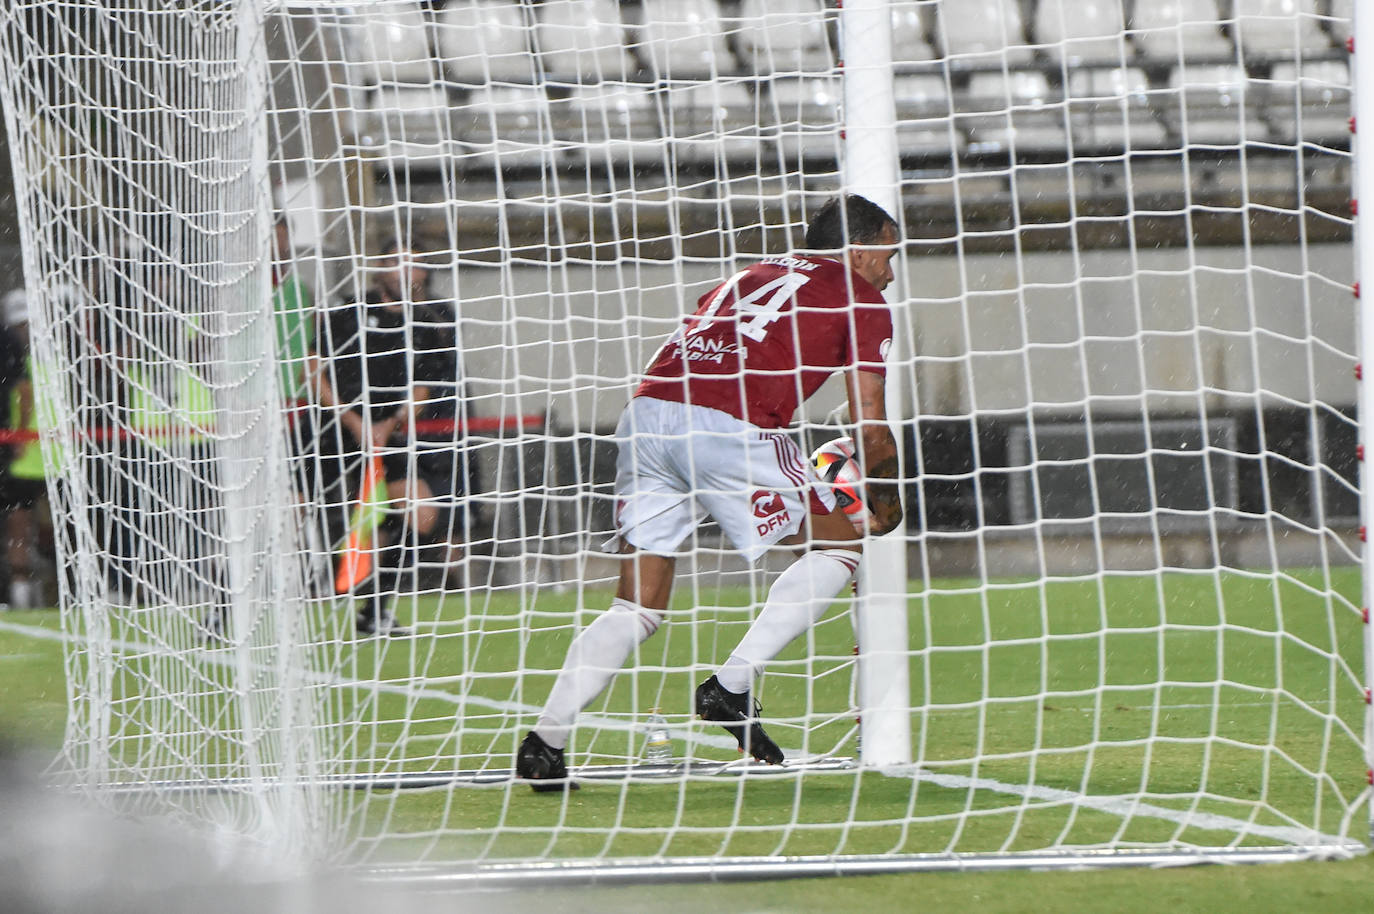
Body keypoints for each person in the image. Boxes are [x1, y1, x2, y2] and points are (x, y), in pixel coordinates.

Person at [516, 194, 905, 791]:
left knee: (637, 606)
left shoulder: (748, 274)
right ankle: (730, 685)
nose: (889, 272)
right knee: (837, 549)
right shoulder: (861, 297)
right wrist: (887, 501)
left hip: (648, 412)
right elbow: (869, 421)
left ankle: (545, 742)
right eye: (887, 255)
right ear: (857, 251)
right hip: (730, 422)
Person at [314, 239, 458, 637]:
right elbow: (313, 368)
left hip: (386, 433)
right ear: (380, 268)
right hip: (332, 429)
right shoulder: (349, 311)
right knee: (298, 512)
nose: (407, 271)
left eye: (415, 264)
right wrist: (352, 420)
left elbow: (424, 387)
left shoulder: (429, 322)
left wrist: (390, 423)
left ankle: (374, 607)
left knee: (422, 513)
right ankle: (224, 609)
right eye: (398, 262)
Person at [0, 289, 47, 608]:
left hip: (41, 456)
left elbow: (25, 393)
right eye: (20, 325)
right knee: (20, 522)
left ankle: (28, 591)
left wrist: (20, 435)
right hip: (24, 456)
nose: (24, 330)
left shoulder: (46, 356)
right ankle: (20, 592)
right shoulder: (13, 350)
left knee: (33, 524)